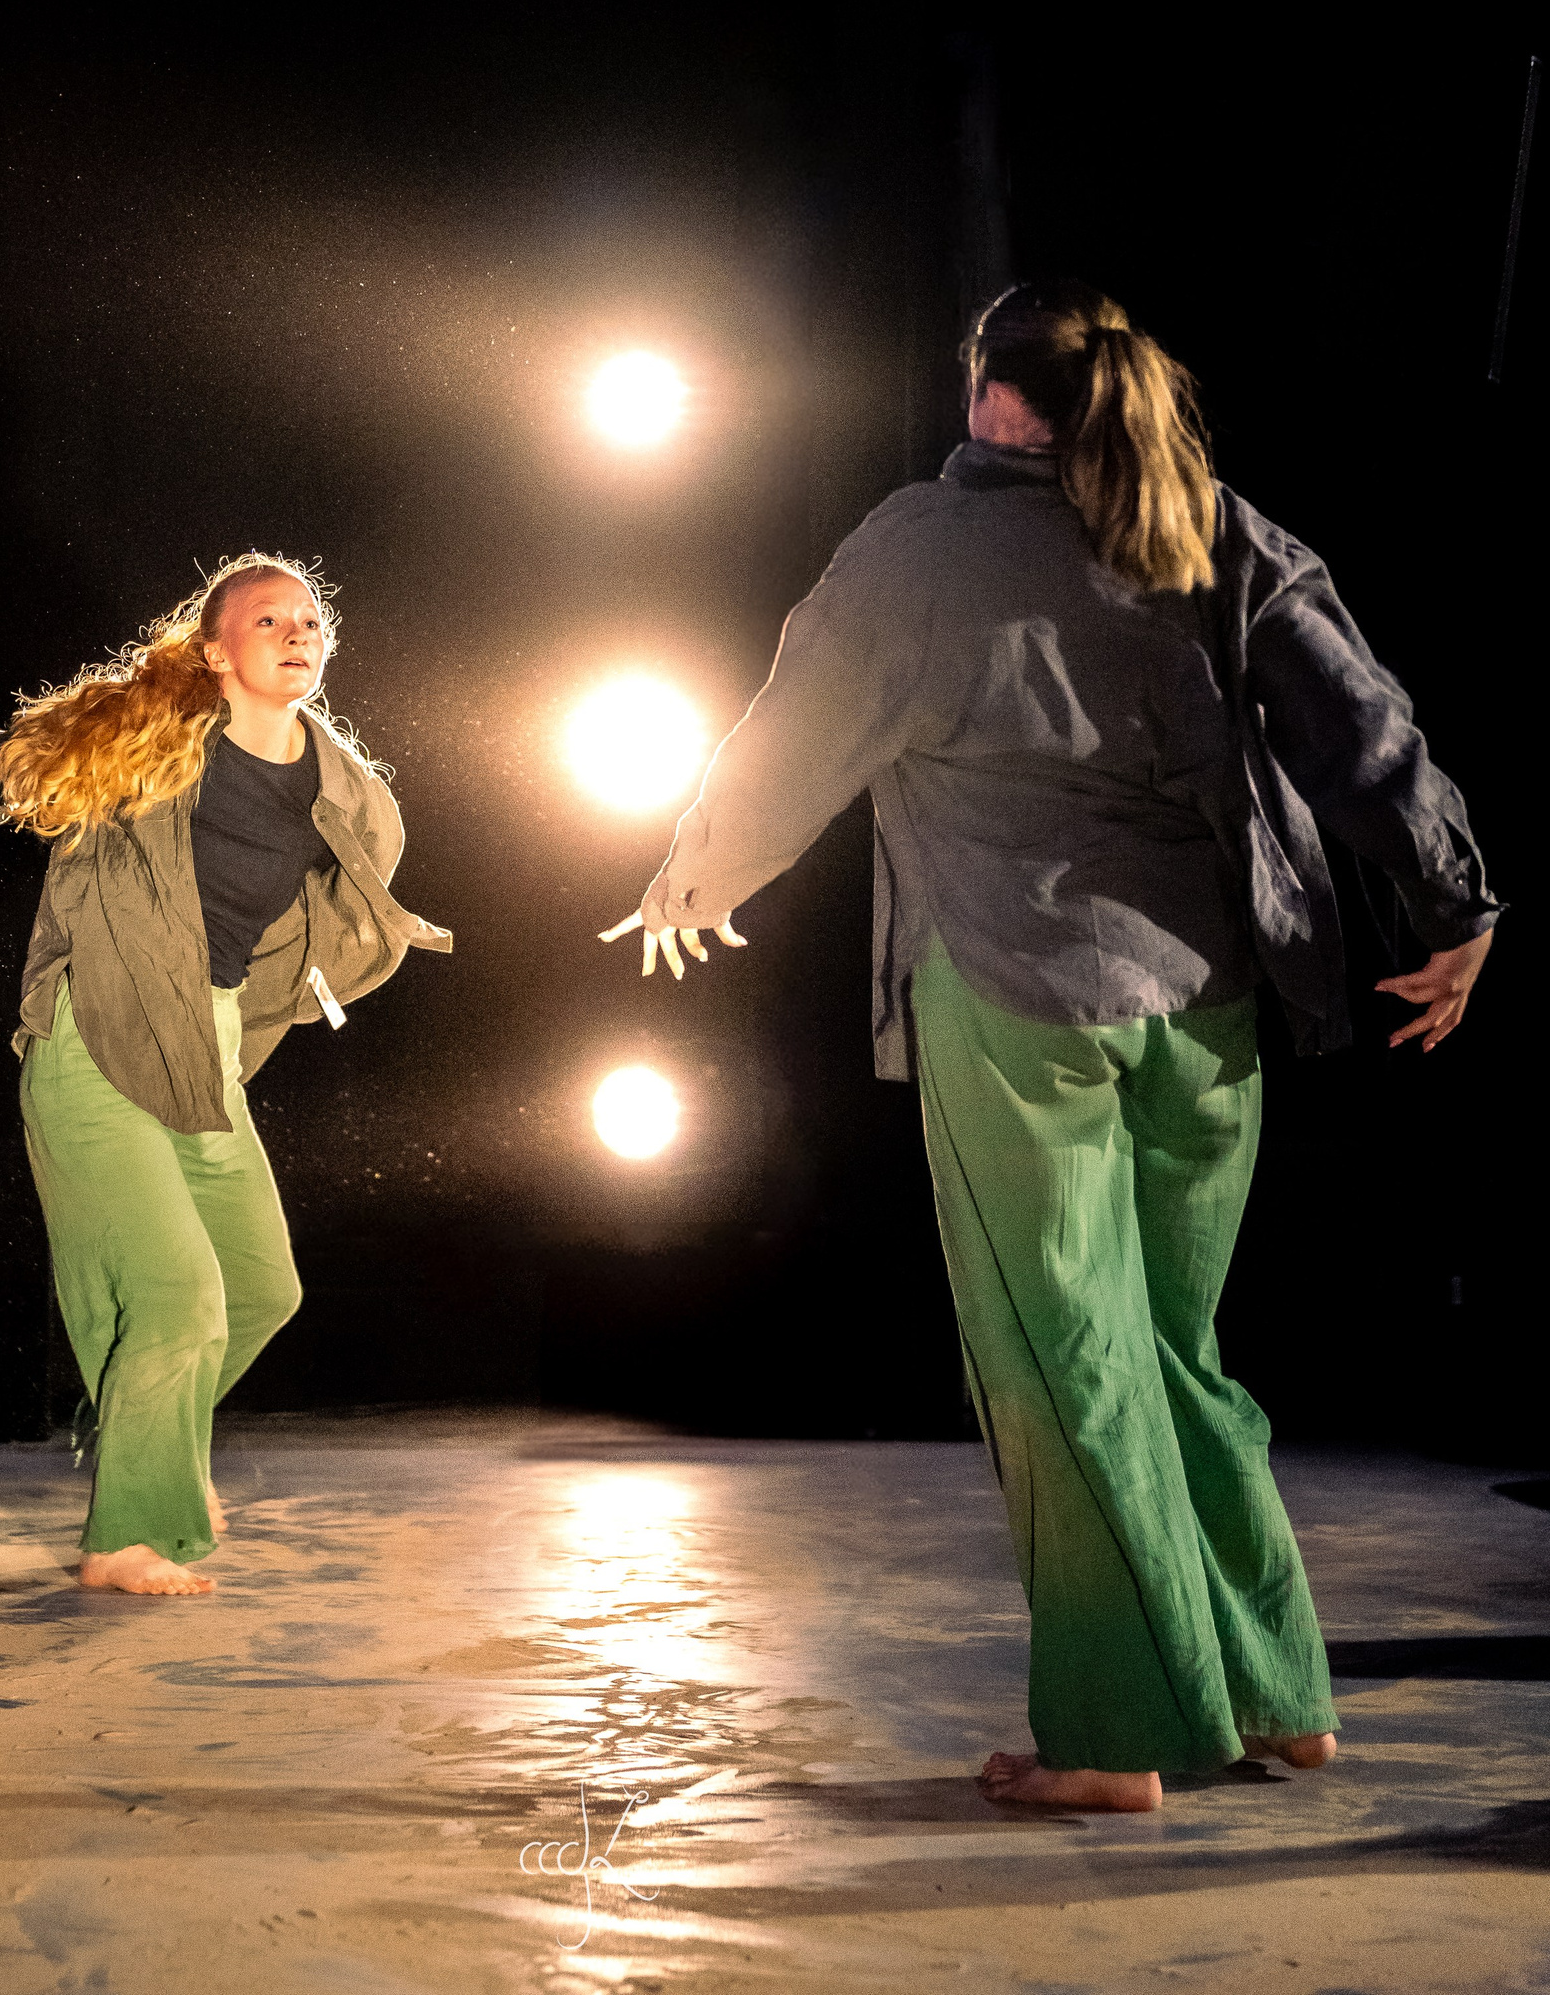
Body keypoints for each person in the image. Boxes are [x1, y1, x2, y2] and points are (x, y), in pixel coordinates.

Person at [602, 279, 1498, 1810]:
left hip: (1017, 998)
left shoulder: (921, 547)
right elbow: (1367, 727)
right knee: (1174, 1350)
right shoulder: (1207, 524)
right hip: (1207, 1009)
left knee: (1064, 1362)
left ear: (987, 394)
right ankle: (1275, 1693)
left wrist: (700, 871)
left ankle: (1115, 1731)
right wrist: (1455, 899)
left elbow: (796, 726)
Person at [0, 554, 450, 1595]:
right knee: (179, 1295)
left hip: (207, 1045)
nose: (298, 631)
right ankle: (124, 1537)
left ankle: (137, 1442)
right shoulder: (141, 736)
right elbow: (6, 764)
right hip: (95, 1033)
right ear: (216, 652)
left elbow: (342, 908)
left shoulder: (347, 791)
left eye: (309, 619)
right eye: (268, 619)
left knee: (260, 1285)